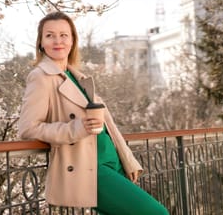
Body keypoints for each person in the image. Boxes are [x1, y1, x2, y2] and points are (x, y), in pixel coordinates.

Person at [18, 11, 169, 215]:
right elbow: (28, 128)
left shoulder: (76, 76)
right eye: (50, 35)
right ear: (41, 42)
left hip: (111, 161)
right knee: (156, 213)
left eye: (64, 35)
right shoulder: (41, 77)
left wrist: (127, 159)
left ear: (72, 40)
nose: (57, 41)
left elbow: (108, 125)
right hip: (88, 167)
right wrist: (76, 128)